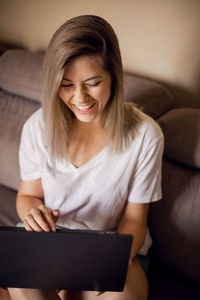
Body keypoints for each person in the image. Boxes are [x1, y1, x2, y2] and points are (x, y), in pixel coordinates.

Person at [8, 15, 164, 300]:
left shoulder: (146, 135)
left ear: (114, 76)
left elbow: (134, 220)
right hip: (50, 240)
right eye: (66, 84)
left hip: (111, 245)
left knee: (126, 296)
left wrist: (90, 267)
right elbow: (27, 196)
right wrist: (32, 213)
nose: (80, 98)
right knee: (22, 283)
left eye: (92, 83)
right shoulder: (37, 126)